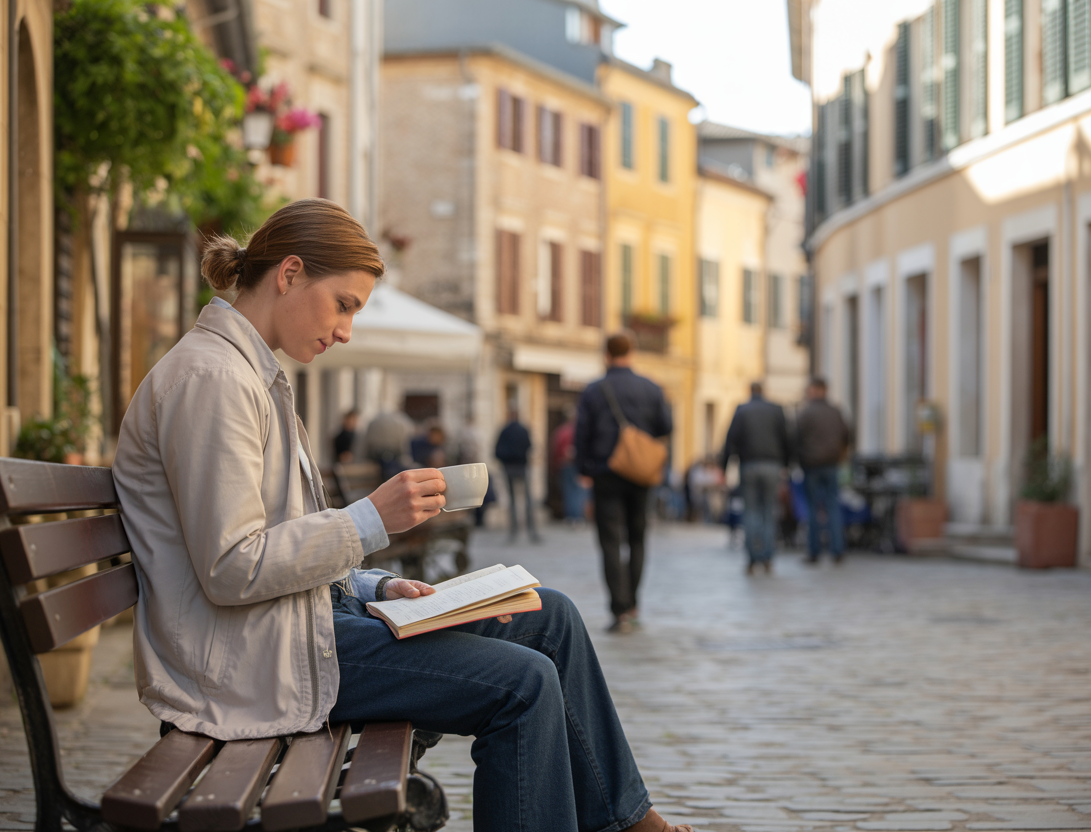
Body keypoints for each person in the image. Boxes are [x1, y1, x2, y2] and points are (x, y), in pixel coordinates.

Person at [111, 199, 694, 832]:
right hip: (251, 661)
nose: (345, 331)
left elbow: (267, 546)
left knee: (548, 615)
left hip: (291, 629)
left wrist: (376, 585)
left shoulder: (249, 374)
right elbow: (232, 567)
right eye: (345, 304)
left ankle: (629, 821)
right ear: (290, 273)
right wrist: (370, 520)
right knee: (523, 684)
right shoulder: (213, 379)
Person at [576, 333, 673, 634]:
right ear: (632, 352)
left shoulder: (594, 390)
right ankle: (632, 604)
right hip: (641, 475)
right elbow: (666, 426)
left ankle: (618, 611)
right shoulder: (651, 387)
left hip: (606, 473)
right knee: (638, 538)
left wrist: (585, 468)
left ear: (606, 354)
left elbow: (582, 434)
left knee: (610, 543)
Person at [721, 382, 791, 575]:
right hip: (772, 465)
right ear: (764, 392)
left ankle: (753, 558)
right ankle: (767, 557)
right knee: (769, 512)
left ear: (749, 391)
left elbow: (730, 439)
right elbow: (787, 437)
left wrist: (724, 467)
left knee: (750, 512)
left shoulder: (742, 410)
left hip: (749, 464)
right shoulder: (776, 410)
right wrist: (787, 464)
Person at [794, 376, 852, 564]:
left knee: (812, 509)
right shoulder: (836, 412)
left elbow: (795, 437)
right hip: (832, 464)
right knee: (833, 506)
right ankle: (837, 550)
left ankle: (814, 551)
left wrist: (799, 458)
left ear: (816, 390)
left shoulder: (806, 413)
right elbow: (848, 435)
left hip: (811, 466)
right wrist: (841, 455)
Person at [494, 410, 541, 543]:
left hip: (508, 467)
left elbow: (497, 451)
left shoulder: (504, 430)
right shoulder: (523, 429)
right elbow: (529, 446)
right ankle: (532, 531)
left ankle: (513, 531)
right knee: (528, 499)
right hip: (522, 466)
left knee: (513, 500)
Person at [551, 412, 587, 526]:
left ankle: (571, 516)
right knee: (578, 491)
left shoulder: (561, 431)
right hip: (576, 464)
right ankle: (578, 517)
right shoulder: (580, 431)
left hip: (565, 464)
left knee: (569, 491)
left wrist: (556, 463)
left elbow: (556, 449)